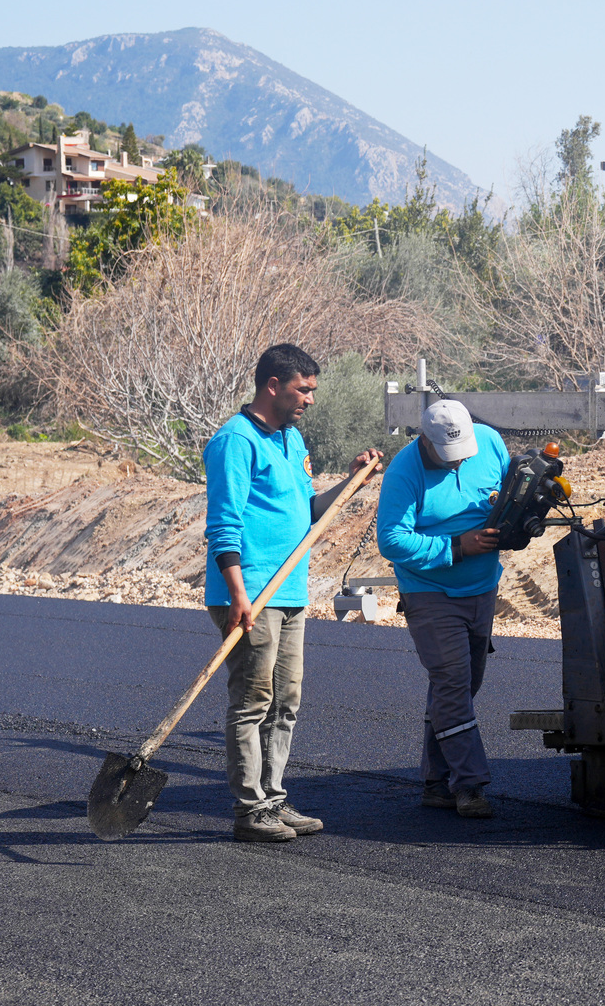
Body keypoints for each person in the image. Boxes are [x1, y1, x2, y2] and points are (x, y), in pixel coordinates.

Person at [204, 342, 380, 843]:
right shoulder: (235, 442)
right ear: (273, 385)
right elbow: (223, 525)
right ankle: (250, 809)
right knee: (252, 700)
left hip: (289, 591)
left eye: (312, 390)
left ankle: (273, 798)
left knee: (285, 700)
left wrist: (353, 481)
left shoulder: (291, 439)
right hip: (250, 595)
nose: (310, 399)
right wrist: (237, 593)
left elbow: (310, 511)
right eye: (303, 390)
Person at [376, 397, 510, 819]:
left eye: (463, 452)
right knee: (452, 685)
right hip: (430, 590)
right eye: (448, 454)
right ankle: (469, 784)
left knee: (463, 687)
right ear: (425, 440)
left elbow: (508, 498)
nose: (458, 461)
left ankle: (436, 782)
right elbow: (391, 540)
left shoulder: (489, 443)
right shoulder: (404, 472)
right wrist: (456, 547)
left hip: (483, 587)